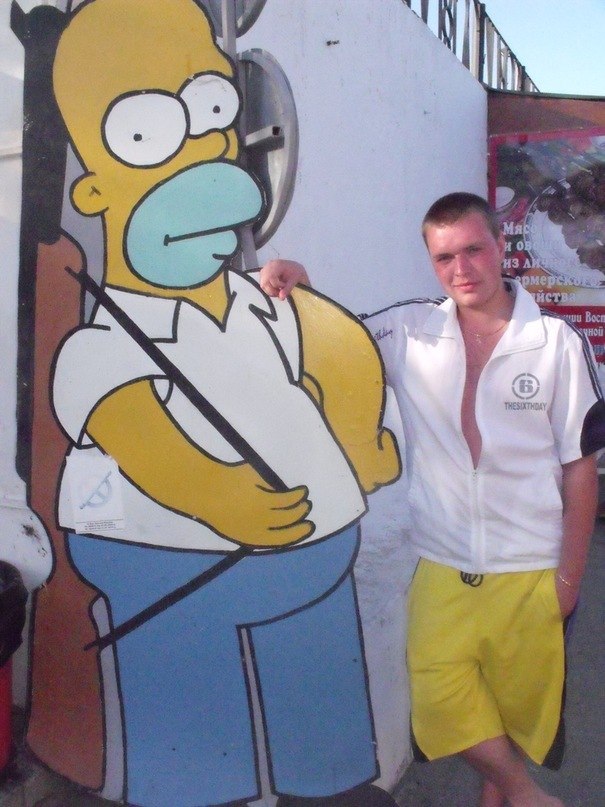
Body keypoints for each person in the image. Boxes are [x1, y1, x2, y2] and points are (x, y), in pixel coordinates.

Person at [259, 192, 605, 807]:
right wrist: (302, 285)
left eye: (474, 250)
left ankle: (503, 795)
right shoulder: (410, 330)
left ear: (500, 246)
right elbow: (339, 341)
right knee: (441, 700)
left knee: (511, 716)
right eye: (445, 257)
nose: (461, 269)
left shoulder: (556, 343)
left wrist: (568, 581)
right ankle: (530, 796)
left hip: (531, 566)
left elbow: (581, 470)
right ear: (430, 261)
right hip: (443, 563)